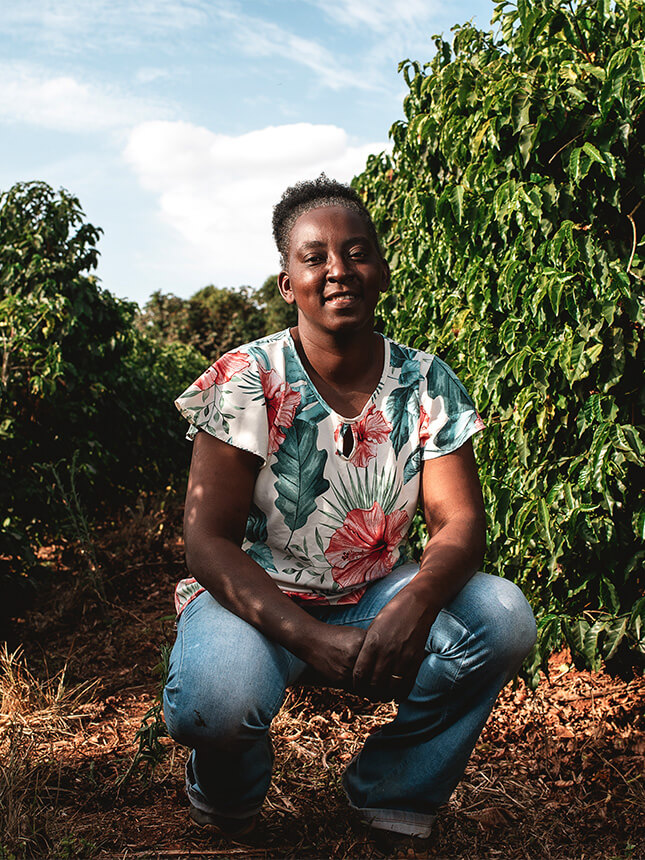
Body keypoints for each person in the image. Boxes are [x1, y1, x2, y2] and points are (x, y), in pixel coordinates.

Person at [163, 175, 537, 841]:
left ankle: (393, 787)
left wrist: (414, 606)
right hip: (250, 595)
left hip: (369, 593)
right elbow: (208, 543)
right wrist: (307, 638)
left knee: (501, 617)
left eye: (358, 251)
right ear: (287, 282)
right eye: (314, 257)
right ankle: (230, 786)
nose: (340, 270)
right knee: (216, 705)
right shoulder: (247, 378)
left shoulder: (425, 381)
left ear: (382, 268)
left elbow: (459, 521)